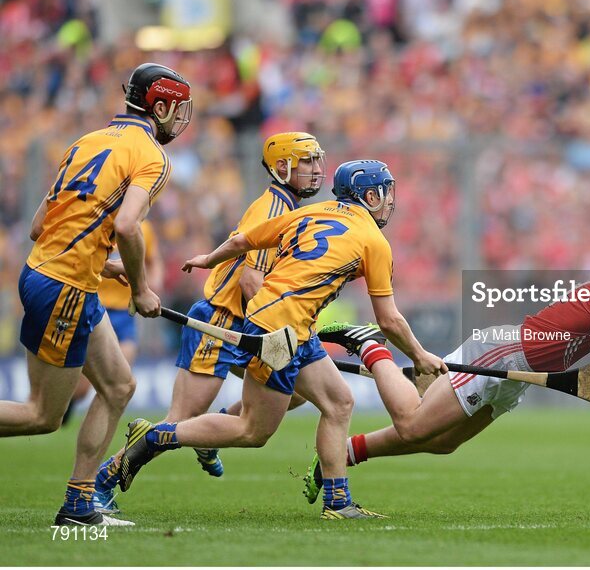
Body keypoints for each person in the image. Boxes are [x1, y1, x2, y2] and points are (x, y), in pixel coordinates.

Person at [303, 217, 590, 501]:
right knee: (414, 426)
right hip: (506, 349)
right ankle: (372, 345)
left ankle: (343, 455)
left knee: (442, 443)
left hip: (522, 372)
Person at [117, 160, 446, 520]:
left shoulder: (311, 212)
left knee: (339, 402)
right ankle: (155, 437)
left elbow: (244, 240)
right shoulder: (373, 241)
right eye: (385, 194)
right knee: (252, 431)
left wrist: (209, 259)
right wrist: (420, 355)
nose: (389, 202)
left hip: (290, 327)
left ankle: (337, 503)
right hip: (279, 332)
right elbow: (390, 320)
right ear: (370, 196)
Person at [92, 133, 324, 514]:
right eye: (307, 162)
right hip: (222, 321)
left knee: (299, 392)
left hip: (249, 320)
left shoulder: (287, 205)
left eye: (317, 161)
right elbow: (252, 282)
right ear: (282, 167)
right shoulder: (274, 209)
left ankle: (213, 431)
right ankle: (105, 478)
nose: (316, 170)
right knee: (180, 420)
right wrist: (279, 330)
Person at [1, 62, 191, 526]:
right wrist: (142, 287)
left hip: (57, 275)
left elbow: (38, 227)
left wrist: (101, 262)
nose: (181, 121)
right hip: (65, 285)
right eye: (178, 111)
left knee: (119, 386)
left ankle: (80, 503)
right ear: (159, 106)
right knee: (44, 414)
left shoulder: (86, 141)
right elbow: (126, 224)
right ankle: (79, 504)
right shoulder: (151, 154)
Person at [63, 220, 164, 426]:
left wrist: (154, 281)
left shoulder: (143, 230)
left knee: (120, 379)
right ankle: (62, 410)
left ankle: (98, 419)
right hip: (97, 308)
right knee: (81, 390)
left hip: (124, 313)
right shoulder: (99, 224)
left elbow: (153, 261)